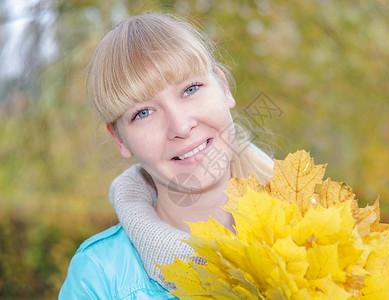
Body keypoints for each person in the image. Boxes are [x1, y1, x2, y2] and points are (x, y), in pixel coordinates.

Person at [59, 12, 274, 299]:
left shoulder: (320, 227)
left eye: (190, 89)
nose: (181, 127)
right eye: (143, 113)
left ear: (223, 87)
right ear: (119, 139)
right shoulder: (98, 277)